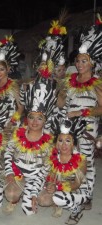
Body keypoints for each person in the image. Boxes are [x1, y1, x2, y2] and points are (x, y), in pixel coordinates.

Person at [57, 16, 102, 209]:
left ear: (91, 63)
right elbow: (60, 104)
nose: (80, 63)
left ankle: (87, 196)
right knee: (70, 159)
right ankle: (71, 190)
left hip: (87, 127)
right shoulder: (70, 79)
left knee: (86, 161)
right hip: (69, 128)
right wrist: (62, 92)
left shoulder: (97, 83)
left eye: (84, 61)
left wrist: (81, 113)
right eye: (78, 60)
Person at [4, 75, 56, 215]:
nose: (34, 122)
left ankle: (32, 194)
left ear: (45, 120)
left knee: (37, 206)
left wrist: (33, 192)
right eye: (31, 117)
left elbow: (45, 169)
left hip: (36, 177)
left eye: (39, 118)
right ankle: (16, 197)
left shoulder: (49, 141)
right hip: (18, 173)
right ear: (27, 118)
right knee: (11, 194)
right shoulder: (18, 132)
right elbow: (8, 152)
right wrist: (9, 172)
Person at [33, 118, 88, 224]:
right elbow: (51, 176)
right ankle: (59, 203)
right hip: (59, 188)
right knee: (42, 199)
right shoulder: (54, 156)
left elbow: (77, 184)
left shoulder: (81, 159)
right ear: (56, 143)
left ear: (74, 144)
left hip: (78, 191)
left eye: (68, 141)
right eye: (60, 140)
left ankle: (76, 210)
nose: (64, 145)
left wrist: (57, 187)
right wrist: (50, 184)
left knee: (57, 197)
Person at [0, 35, 23, 128]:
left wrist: (12, 122)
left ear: (8, 69)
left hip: (10, 124)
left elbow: (21, 107)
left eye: (2, 69)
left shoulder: (13, 85)